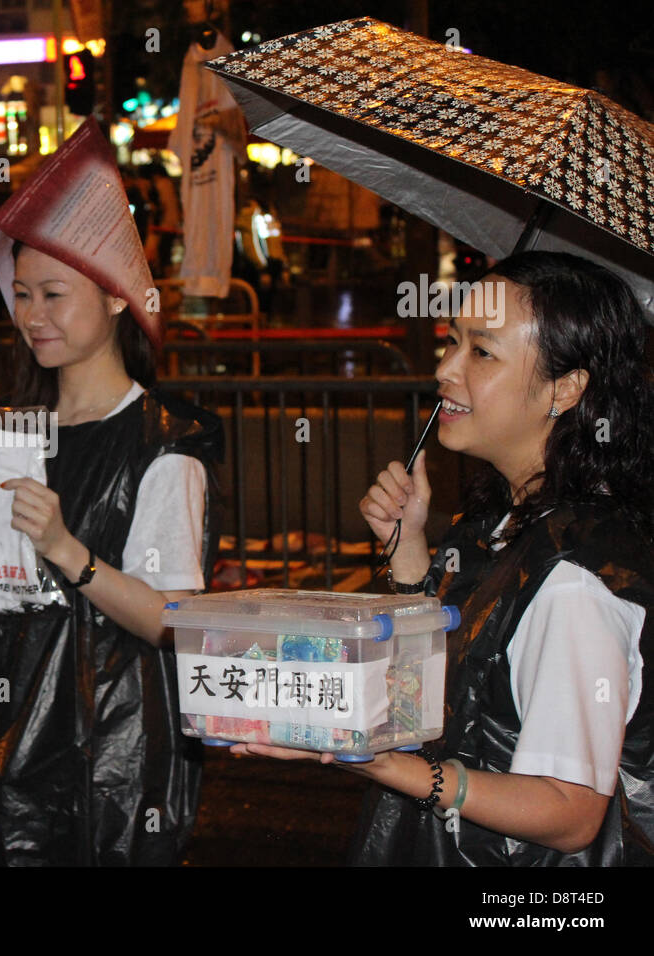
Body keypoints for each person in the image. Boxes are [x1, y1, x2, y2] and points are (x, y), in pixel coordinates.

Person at [235, 251, 654, 866]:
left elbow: (570, 814)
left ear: (565, 389)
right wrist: (410, 558)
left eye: (481, 352)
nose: (445, 369)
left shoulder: (576, 580)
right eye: (451, 341)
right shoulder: (499, 525)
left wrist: (384, 761)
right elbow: (445, 701)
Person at [0, 123, 225, 866]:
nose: (32, 315)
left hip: (104, 761)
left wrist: (68, 553)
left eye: (54, 293)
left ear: (117, 299)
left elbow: (177, 624)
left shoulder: (163, 444)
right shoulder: (4, 432)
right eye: (20, 294)